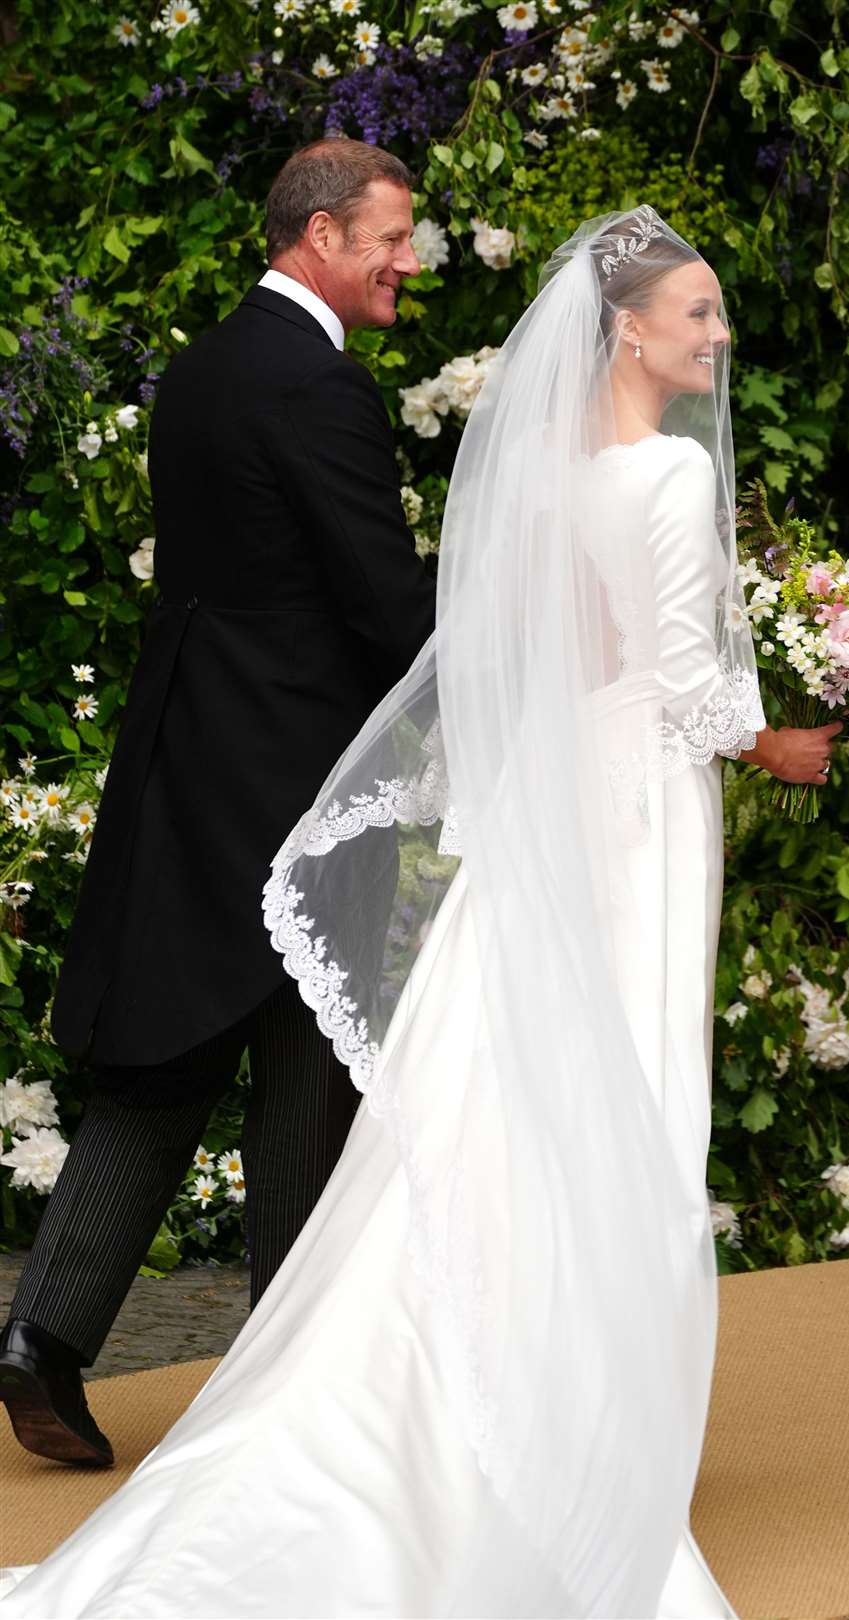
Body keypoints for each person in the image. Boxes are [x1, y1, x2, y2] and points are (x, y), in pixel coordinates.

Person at [0, 207, 838, 1618]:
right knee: (613, 1097)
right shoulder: (665, 479)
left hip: (532, 811)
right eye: (698, 312)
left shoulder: (523, 468)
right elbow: (680, 685)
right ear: (629, 327)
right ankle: (553, 1423)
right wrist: (783, 738)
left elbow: (528, 647)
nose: (719, 336)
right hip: (623, 813)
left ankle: (367, 1371)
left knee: (470, 1101)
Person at [0, 138, 436, 1469]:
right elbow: (381, 606)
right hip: (296, 786)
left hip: (185, 768)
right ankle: (288, 1387)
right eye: (391, 237)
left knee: (167, 1065)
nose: (407, 261)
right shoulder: (317, 387)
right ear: (318, 234)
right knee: (302, 1077)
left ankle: (40, 1340)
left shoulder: (197, 372)